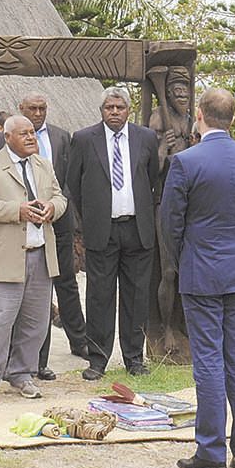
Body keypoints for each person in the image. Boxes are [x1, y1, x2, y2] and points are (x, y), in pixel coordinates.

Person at [160, 87, 235, 468]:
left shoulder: (185, 161)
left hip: (201, 270)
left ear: (200, 116)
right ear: (233, 119)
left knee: (207, 359)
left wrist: (180, 261)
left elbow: (170, 223)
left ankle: (210, 451)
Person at [66, 85, 161, 380]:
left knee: (136, 297)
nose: (115, 113)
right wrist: (91, 218)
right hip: (101, 231)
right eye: (109, 108)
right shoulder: (83, 139)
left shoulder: (145, 138)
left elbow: (152, 179)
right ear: (101, 110)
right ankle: (97, 359)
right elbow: (74, 184)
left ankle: (134, 358)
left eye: (119, 108)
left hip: (137, 229)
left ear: (128, 110)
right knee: (100, 297)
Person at [0, 114, 64, 404]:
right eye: (23, 133)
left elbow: (61, 198)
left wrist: (52, 208)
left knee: (35, 323)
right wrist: (17, 211)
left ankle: (22, 374)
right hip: (6, 256)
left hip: (40, 255)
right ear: (7, 137)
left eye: (33, 133)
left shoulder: (44, 166)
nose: (31, 137)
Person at [19, 92, 89, 376]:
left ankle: (79, 339)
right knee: (36, 287)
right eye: (32, 109)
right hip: (27, 221)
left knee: (67, 282)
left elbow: (71, 175)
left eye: (42, 108)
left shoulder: (61, 136)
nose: (38, 113)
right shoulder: (11, 136)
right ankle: (35, 352)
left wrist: (64, 207)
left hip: (58, 217)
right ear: (21, 110)